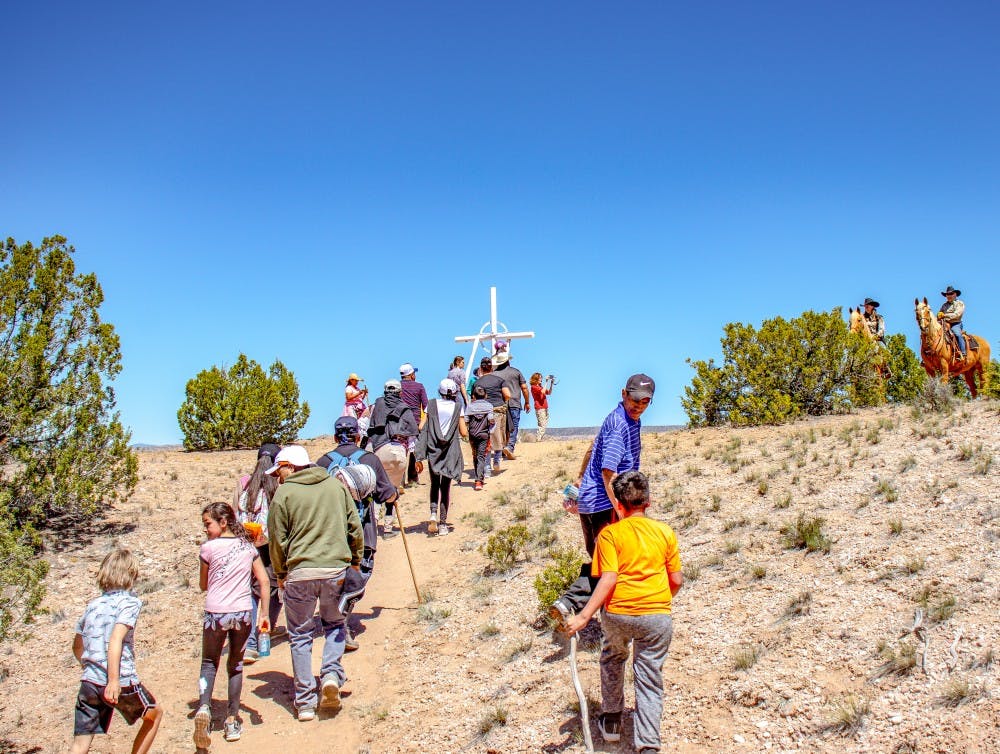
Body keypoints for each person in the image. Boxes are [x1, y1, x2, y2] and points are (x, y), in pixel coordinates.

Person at [564, 471, 683, 754]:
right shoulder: (665, 532)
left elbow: (608, 578)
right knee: (649, 676)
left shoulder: (609, 534)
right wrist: (658, 601)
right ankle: (648, 745)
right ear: (648, 501)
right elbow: (677, 580)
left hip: (618, 612)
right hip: (656, 615)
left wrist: (583, 616)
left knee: (613, 658)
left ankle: (612, 722)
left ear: (617, 503)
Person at [267, 445, 363, 720]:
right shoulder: (336, 487)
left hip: (299, 573)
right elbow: (354, 526)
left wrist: (280, 573)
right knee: (334, 624)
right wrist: (355, 560)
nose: (277, 477)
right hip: (335, 570)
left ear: (290, 466)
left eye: (278, 471)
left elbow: (277, 538)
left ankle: (305, 701)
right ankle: (331, 674)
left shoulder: (284, 494)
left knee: (300, 635)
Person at [551, 374, 655, 627]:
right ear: (623, 394)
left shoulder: (622, 418)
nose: (638, 405)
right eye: (635, 399)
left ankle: (595, 613)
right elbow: (609, 472)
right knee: (611, 564)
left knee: (604, 560)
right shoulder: (620, 424)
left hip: (593, 501)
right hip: (606, 503)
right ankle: (571, 604)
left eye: (645, 401)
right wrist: (622, 510)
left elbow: (593, 447)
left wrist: (580, 480)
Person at [316, 416, 399, 648]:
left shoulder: (323, 462)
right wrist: (394, 494)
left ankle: (334, 619)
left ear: (335, 437)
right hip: (363, 530)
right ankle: (340, 623)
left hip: (330, 531)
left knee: (334, 576)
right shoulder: (369, 459)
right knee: (359, 575)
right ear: (358, 436)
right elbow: (386, 495)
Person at [70, 549, 162, 754]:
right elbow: (116, 639)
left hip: (89, 681)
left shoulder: (93, 605)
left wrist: (88, 665)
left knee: (80, 743)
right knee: (154, 714)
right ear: (131, 574)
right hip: (120, 680)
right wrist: (113, 680)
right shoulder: (130, 602)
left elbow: (77, 645)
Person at [194, 502, 270, 746]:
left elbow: (203, 585)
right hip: (242, 613)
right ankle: (231, 719)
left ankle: (203, 708)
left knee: (209, 662)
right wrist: (264, 614)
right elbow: (264, 580)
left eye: (208, 524)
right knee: (235, 665)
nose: (205, 529)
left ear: (223, 522)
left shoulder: (208, 549)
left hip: (215, 613)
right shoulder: (248, 547)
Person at [234, 442, 284, 663]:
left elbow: (234, 511)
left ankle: (249, 643)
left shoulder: (244, 482)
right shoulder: (278, 484)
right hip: (271, 545)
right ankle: (265, 630)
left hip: (247, 544)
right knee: (276, 587)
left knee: (251, 590)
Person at [414, 378, 468, 536]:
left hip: (433, 451)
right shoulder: (457, 407)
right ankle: (443, 524)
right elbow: (463, 432)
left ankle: (433, 513)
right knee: (445, 488)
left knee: (434, 484)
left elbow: (421, 426)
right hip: (450, 452)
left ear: (440, 391)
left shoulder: (431, 405)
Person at [366, 379, 419, 518]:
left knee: (376, 490)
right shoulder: (405, 408)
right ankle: (388, 526)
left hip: (378, 450)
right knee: (392, 492)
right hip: (398, 453)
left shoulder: (376, 405)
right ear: (400, 393)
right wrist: (417, 459)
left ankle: (374, 521)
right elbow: (412, 438)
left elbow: (366, 428)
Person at [473, 357, 512, 476]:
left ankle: (487, 469)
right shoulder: (500, 380)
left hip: (482, 413)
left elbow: (473, 399)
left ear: (481, 368)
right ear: (492, 368)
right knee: (498, 437)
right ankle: (496, 460)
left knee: (485, 440)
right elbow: (507, 395)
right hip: (498, 412)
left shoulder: (477, 383)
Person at [492, 351, 530, 460]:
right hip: (514, 402)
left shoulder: (494, 374)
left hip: (499, 404)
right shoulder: (516, 372)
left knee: (502, 428)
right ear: (508, 360)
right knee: (514, 426)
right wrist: (527, 402)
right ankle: (510, 447)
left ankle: (502, 448)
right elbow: (524, 388)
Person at [399, 363, 428, 485]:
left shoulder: (397, 387)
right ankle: (412, 478)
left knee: (400, 450)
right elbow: (426, 406)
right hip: (415, 422)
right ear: (411, 375)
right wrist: (423, 422)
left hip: (399, 422)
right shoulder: (419, 386)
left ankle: (399, 480)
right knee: (413, 451)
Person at [465, 383, 495, 491]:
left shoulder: (469, 406)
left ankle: (478, 477)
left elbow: (466, 421)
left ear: (473, 396)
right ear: (486, 395)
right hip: (484, 435)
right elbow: (491, 420)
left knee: (475, 455)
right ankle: (479, 480)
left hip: (472, 435)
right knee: (481, 456)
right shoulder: (489, 406)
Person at [938, 285, 967, 361]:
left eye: (951, 294)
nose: (949, 296)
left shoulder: (959, 303)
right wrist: (938, 315)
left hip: (955, 323)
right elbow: (939, 314)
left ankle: (963, 353)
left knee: (957, 334)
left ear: (955, 294)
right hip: (944, 323)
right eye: (947, 294)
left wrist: (944, 315)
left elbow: (957, 314)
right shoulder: (944, 305)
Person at [530, 373, 555, 440]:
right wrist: (546, 382)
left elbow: (549, 393)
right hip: (540, 408)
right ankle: (538, 439)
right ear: (536, 379)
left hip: (545, 407)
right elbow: (543, 392)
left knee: (544, 424)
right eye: (540, 378)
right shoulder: (534, 387)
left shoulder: (541, 387)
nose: (541, 379)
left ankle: (539, 439)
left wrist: (551, 384)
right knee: (542, 424)